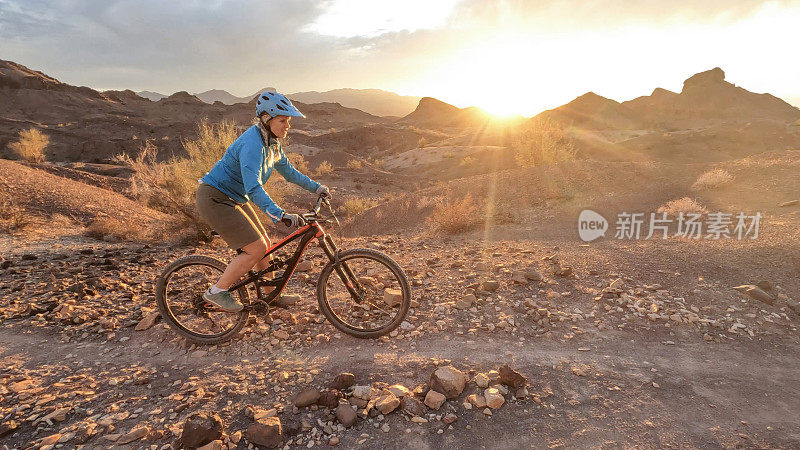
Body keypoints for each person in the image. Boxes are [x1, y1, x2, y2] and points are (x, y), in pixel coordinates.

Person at [195, 91, 329, 312]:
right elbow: (253, 187)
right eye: (283, 120)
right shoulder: (253, 145)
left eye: (289, 121)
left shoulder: (272, 143)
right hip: (215, 197)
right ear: (267, 119)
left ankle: (270, 296)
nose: (288, 126)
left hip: (234, 197)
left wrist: (318, 188)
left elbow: (290, 173)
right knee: (255, 248)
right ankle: (217, 292)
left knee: (265, 245)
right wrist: (279, 213)